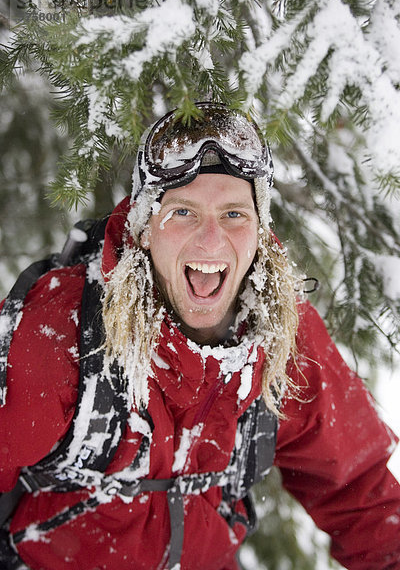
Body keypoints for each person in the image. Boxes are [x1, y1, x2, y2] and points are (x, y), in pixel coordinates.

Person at [0, 102, 399, 570]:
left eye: (234, 214)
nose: (211, 241)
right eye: (184, 212)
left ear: (259, 231)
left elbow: (362, 493)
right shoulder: (59, 330)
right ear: (146, 229)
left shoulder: (282, 336)